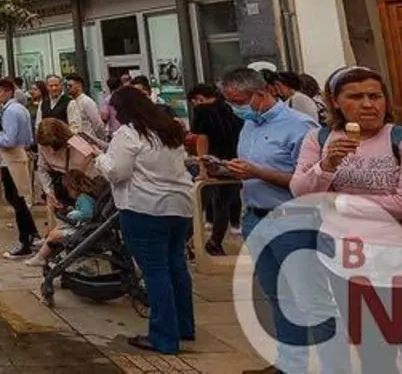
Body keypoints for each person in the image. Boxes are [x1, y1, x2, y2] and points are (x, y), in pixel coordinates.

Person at [289, 66, 402, 372]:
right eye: (355, 97)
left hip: (401, 261)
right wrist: (327, 165)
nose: (368, 104)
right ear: (334, 102)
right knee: (374, 353)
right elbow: (301, 191)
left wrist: (340, 202)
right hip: (347, 263)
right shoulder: (318, 140)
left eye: (375, 96)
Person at [220, 66, 333, 374]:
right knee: (279, 297)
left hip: (293, 219)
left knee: (310, 298)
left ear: (259, 93)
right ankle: (290, 365)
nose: (235, 108)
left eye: (238, 101)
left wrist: (257, 172)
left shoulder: (300, 126)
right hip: (256, 218)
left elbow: (311, 180)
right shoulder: (250, 125)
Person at [93, 86, 195, 355]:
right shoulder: (168, 130)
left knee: (155, 271)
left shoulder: (128, 133)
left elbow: (117, 172)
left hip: (145, 208)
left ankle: (164, 336)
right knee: (176, 265)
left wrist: (99, 159)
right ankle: (184, 325)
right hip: (179, 206)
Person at [187, 83, 242, 256]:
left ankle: (184, 240)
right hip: (234, 161)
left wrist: (202, 166)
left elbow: (202, 139)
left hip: (213, 161)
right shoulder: (230, 108)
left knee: (200, 204)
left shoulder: (202, 111)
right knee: (223, 204)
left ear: (199, 98)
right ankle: (215, 242)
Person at [0, 78, 39, 258]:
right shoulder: (21, 109)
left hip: (11, 158)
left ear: (10, 92)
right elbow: (29, 138)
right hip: (18, 155)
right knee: (18, 199)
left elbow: (9, 140)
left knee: (16, 199)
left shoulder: (10, 111)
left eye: (0, 91)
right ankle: (32, 234)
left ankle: (24, 241)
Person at [26, 169, 99, 266]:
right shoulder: (85, 198)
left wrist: (74, 214)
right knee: (56, 230)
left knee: (54, 235)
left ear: (74, 187)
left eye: (69, 190)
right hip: (82, 227)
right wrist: (70, 209)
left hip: (83, 229)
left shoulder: (84, 198)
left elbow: (87, 213)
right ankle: (47, 245)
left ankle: (41, 257)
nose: (68, 193)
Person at [65, 74, 108, 142]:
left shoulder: (87, 101)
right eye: (66, 86)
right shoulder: (71, 103)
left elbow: (97, 123)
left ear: (79, 85)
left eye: (70, 85)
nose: (67, 88)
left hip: (90, 141)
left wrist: (101, 140)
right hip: (76, 142)